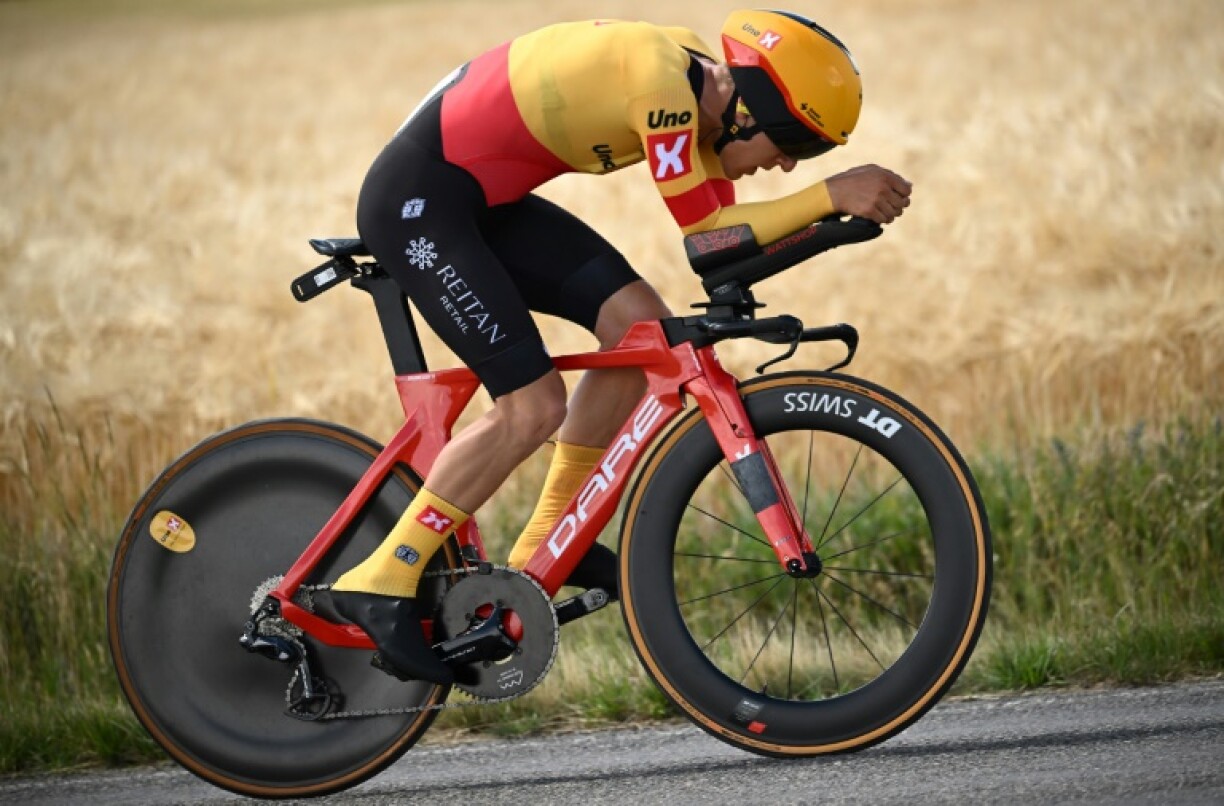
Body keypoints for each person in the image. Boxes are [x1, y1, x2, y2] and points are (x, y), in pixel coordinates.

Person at [326, 9, 912, 684]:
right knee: (532, 405)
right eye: (793, 144)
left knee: (641, 331)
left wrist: (830, 221)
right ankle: (383, 576)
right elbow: (710, 237)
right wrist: (830, 194)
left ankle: (552, 540)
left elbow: (724, 258)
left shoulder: (700, 93)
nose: (784, 164)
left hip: (480, 200)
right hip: (420, 203)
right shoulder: (661, 86)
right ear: (751, 109)